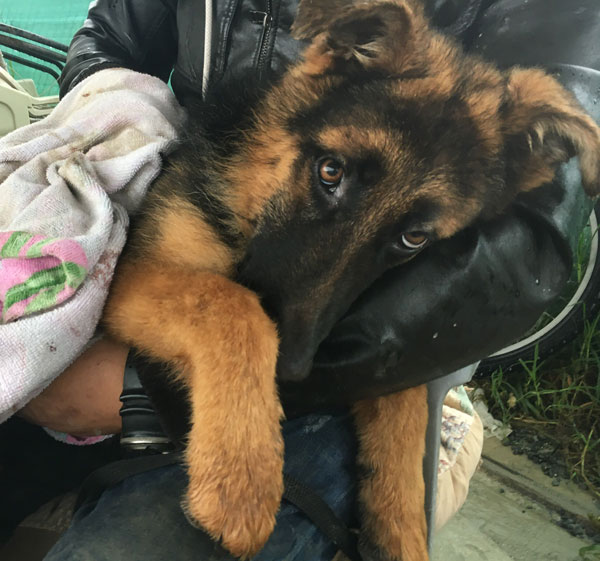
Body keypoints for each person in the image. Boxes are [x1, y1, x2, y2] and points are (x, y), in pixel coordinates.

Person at [9, 0, 600, 559]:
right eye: (331, 172)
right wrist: (114, 122)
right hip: (177, 271)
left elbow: (526, 258)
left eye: (412, 234)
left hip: (361, 365)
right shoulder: (262, 146)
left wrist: (138, 385)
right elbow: (111, 43)